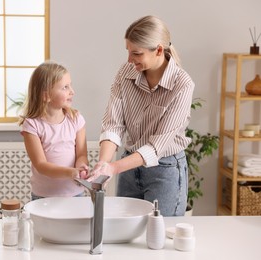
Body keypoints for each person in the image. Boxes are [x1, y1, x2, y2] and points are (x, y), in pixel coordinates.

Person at [89, 15, 195, 216]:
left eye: (136, 53)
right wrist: (104, 164)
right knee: (125, 236)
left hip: (165, 171)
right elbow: (113, 125)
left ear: (159, 50)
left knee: (159, 238)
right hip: (128, 168)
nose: (130, 59)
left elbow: (157, 147)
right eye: (128, 52)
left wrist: (113, 168)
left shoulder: (182, 85)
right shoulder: (125, 73)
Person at [19, 61, 89, 200]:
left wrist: (81, 168)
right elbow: (41, 165)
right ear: (46, 95)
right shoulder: (32, 125)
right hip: (44, 197)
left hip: (75, 194)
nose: (72, 91)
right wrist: (70, 172)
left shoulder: (76, 119)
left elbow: (81, 154)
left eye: (70, 85)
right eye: (65, 87)